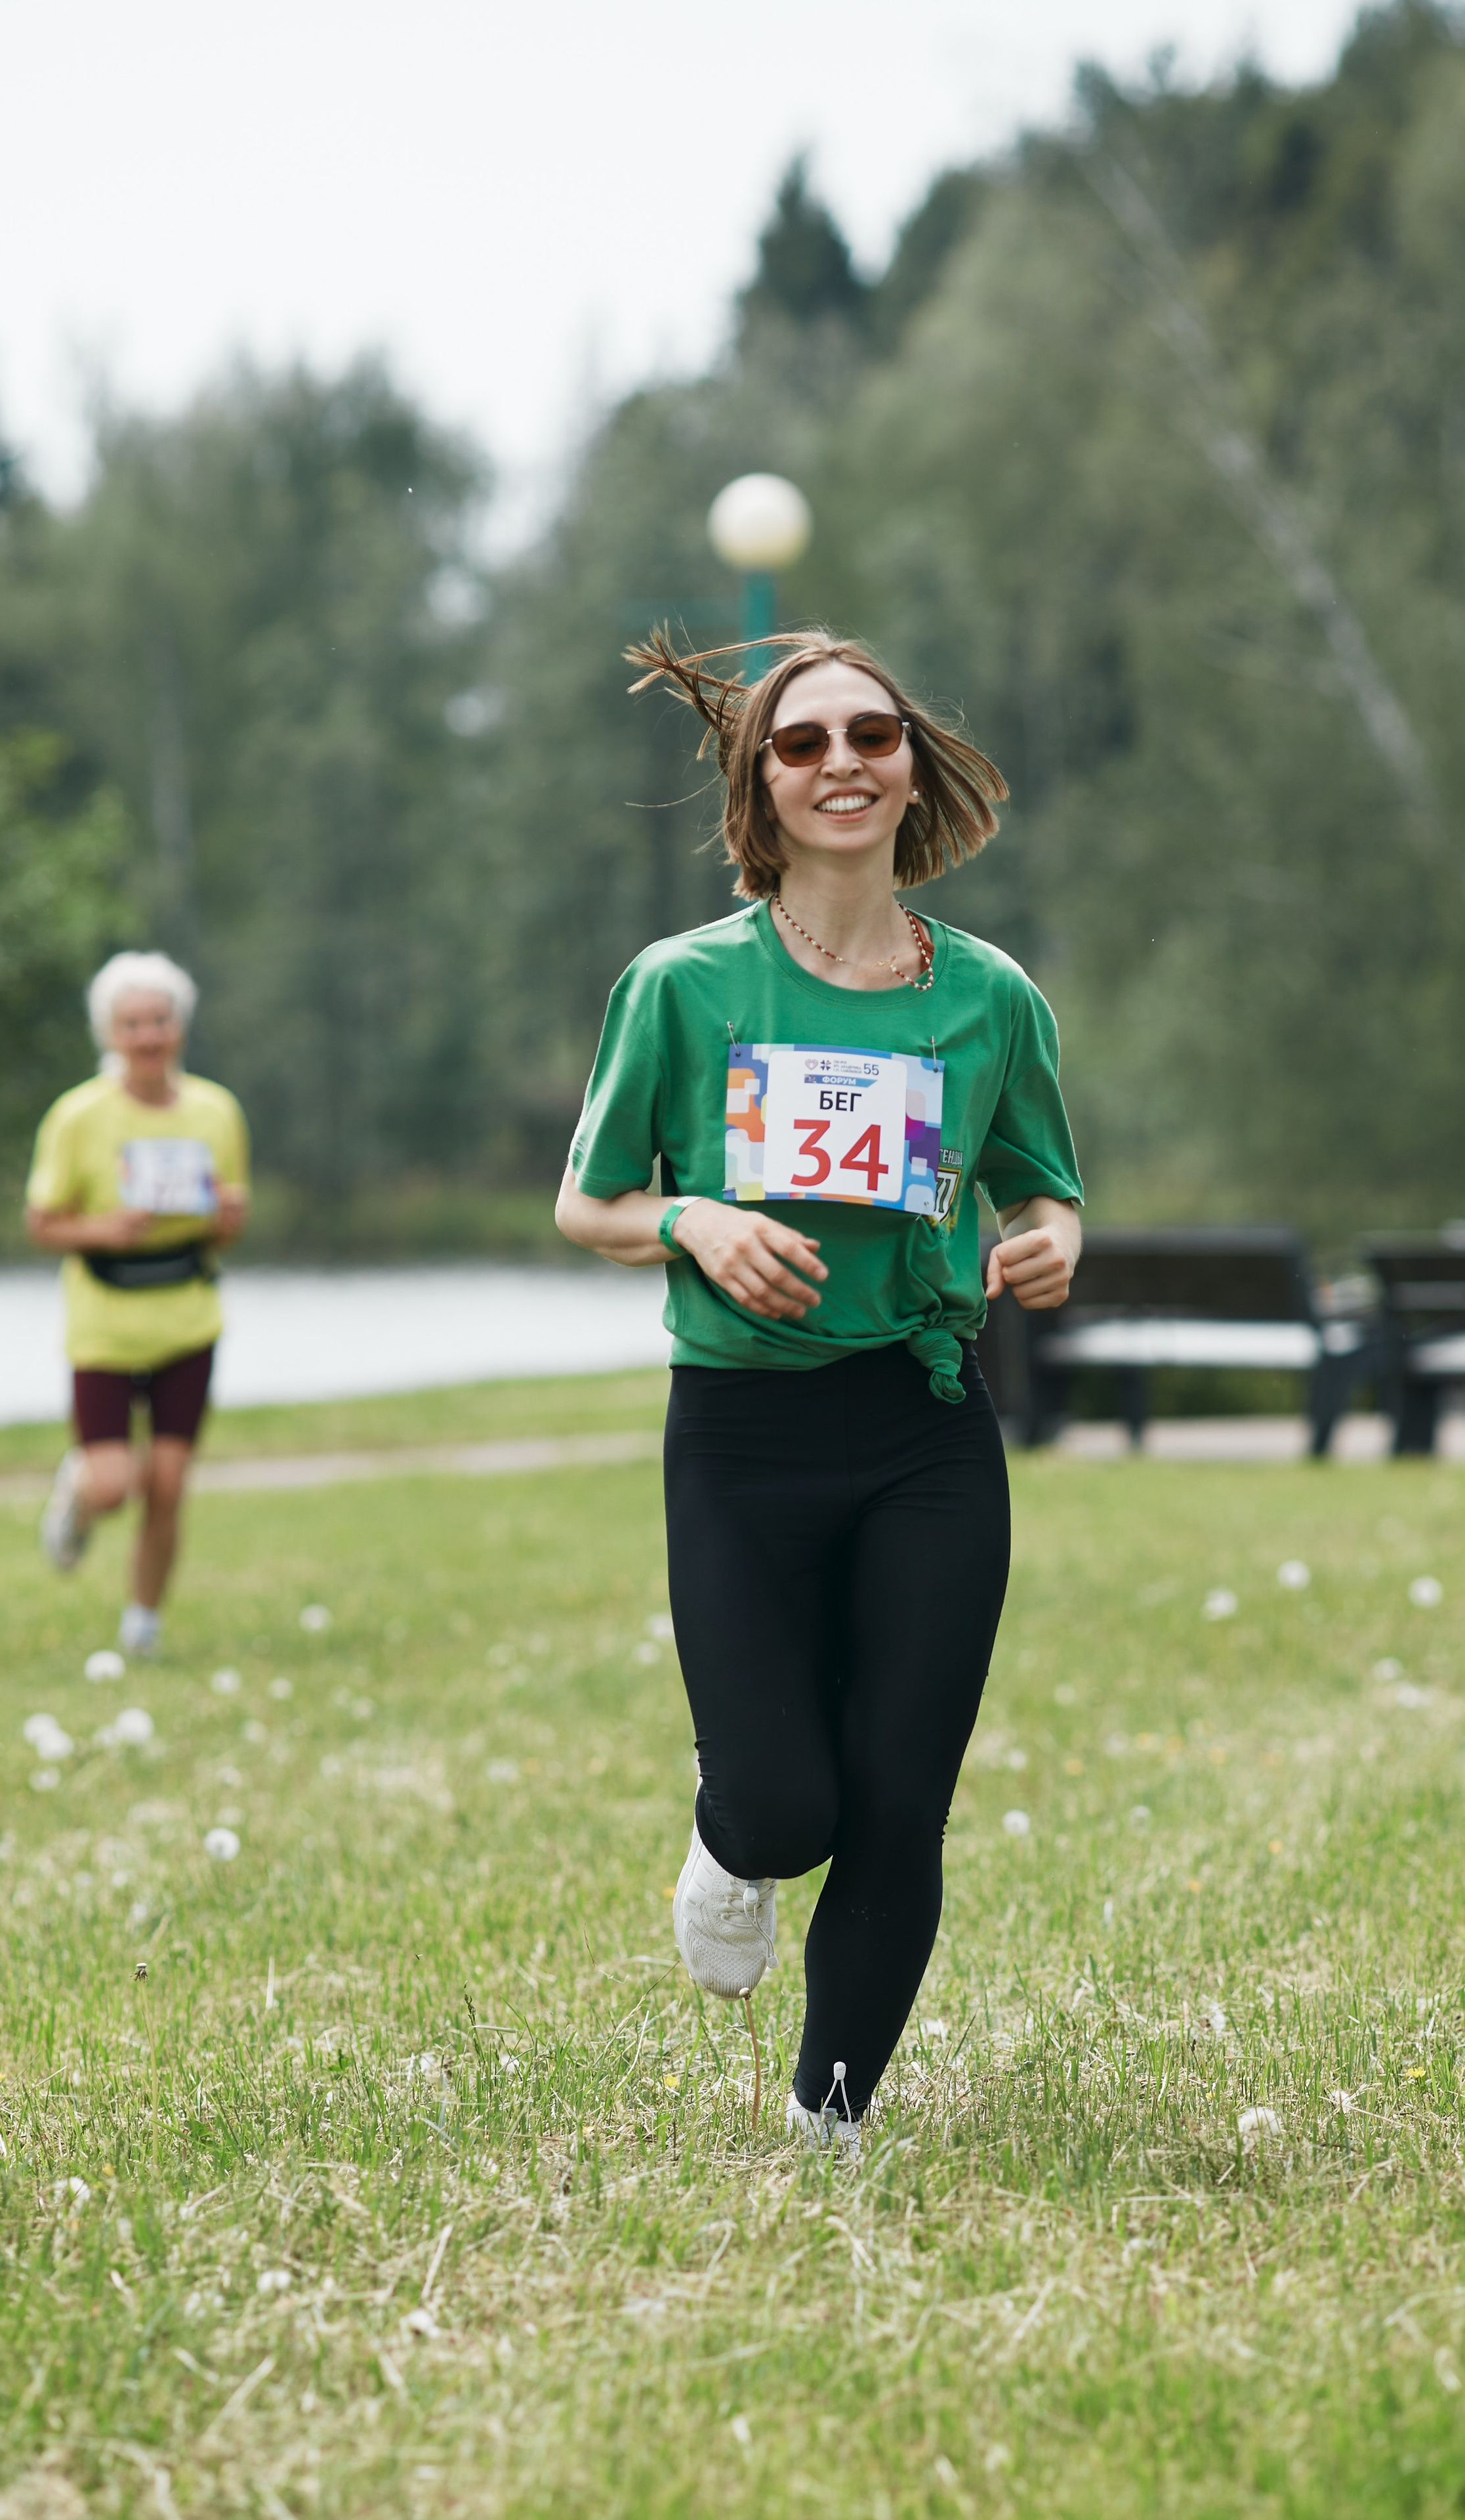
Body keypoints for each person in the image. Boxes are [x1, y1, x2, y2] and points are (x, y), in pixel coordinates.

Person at [554, 629, 1083, 2154]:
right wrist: (691, 1220)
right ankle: (728, 1843)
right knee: (787, 1806)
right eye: (802, 742)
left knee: (898, 1797)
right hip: (741, 1436)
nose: (840, 761)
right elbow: (588, 1201)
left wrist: (1048, 1240)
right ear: (760, 786)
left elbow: (1043, 1186)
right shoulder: (680, 986)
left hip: (923, 1422)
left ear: (910, 768)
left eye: (870, 734)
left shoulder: (987, 997)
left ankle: (826, 2125)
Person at [25, 951, 249, 1658]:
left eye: (160, 1020)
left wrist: (228, 1216)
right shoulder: (77, 1116)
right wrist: (103, 1229)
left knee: (170, 1483)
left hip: (188, 1317)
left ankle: (143, 1626)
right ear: (109, 1033)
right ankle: (80, 1493)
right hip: (105, 1324)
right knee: (115, 1485)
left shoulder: (216, 1111)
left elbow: (228, 1225)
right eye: (132, 1024)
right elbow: (42, 1223)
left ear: (180, 1026)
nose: (148, 1035)